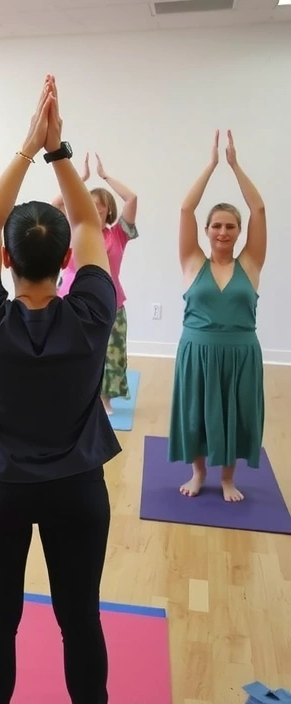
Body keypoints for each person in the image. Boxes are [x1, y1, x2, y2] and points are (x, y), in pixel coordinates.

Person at [0, 75, 121, 704]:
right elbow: (84, 218)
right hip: (77, 492)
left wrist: (29, 147)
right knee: (80, 619)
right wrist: (58, 151)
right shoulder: (92, 314)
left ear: (7, 259)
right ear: (65, 265)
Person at [169, 129, 266, 503]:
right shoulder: (193, 262)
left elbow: (258, 209)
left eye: (230, 226)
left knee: (236, 414)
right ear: (207, 231)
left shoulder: (251, 263)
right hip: (197, 351)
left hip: (241, 352)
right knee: (196, 413)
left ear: (240, 232)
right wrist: (211, 166)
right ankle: (198, 474)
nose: (223, 231)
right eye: (217, 226)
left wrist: (235, 166)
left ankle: (227, 478)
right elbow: (184, 210)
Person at [51, 153, 139, 415]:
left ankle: (105, 400)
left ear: (107, 209)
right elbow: (55, 205)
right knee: (71, 349)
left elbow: (132, 199)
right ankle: (73, 396)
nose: (93, 207)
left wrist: (104, 176)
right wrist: (80, 179)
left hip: (110, 301)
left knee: (110, 351)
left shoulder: (118, 234)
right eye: (88, 202)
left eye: (98, 204)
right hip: (71, 299)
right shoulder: (70, 229)